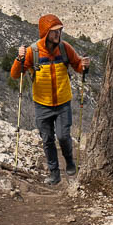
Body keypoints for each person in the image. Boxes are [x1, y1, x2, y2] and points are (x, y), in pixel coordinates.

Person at [10, 14, 90, 185]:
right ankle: (54, 173)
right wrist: (19, 58)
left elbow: (77, 66)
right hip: (42, 104)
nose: (58, 34)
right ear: (45, 33)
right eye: (54, 31)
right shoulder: (33, 52)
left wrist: (83, 65)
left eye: (59, 30)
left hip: (63, 102)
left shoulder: (65, 48)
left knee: (63, 136)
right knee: (47, 139)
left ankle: (69, 161)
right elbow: (16, 74)